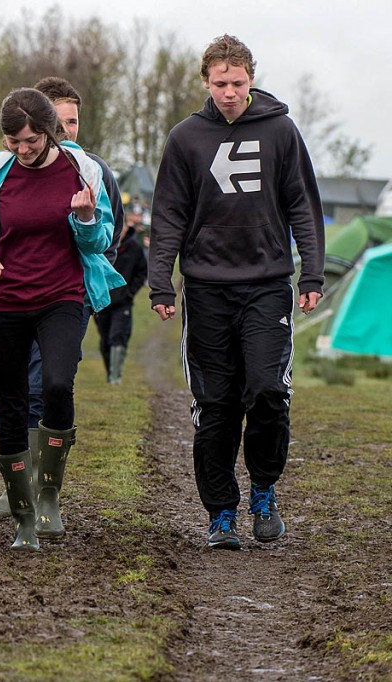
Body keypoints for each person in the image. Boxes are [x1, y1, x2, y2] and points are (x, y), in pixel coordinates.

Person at [148, 35, 324, 550]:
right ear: (206, 81)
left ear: (251, 79)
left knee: (268, 391)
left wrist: (310, 273)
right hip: (206, 290)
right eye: (220, 83)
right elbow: (169, 216)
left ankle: (264, 489)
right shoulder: (185, 138)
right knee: (216, 405)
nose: (229, 92)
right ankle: (221, 513)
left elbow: (303, 207)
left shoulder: (281, 131)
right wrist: (162, 280)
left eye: (238, 83)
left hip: (267, 285)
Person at [0, 88, 123, 551]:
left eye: (30, 141)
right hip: (4, 300)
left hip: (62, 297)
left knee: (55, 385)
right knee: (9, 401)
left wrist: (88, 218)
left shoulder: (81, 170)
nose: (22, 150)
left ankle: (49, 493)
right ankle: (23, 517)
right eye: (13, 141)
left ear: (49, 131)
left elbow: (100, 241)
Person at [94, 211, 147, 384]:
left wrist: (130, 292)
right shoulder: (100, 245)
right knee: (105, 339)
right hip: (102, 302)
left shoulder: (134, 248)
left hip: (122, 302)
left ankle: (115, 378)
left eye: (122, 225)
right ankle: (109, 372)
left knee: (118, 336)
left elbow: (141, 271)